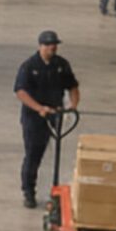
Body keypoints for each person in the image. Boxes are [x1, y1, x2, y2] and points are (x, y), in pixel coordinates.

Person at [14, 30, 80, 207]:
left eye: (55, 45)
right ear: (41, 46)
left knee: (53, 153)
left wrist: (73, 105)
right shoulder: (29, 66)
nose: (53, 48)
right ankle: (28, 190)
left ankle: (54, 189)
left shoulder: (61, 65)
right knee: (33, 154)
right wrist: (39, 108)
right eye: (50, 45)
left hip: (54, 115)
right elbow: (21, 92)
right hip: (34, 117)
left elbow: (73, 86)